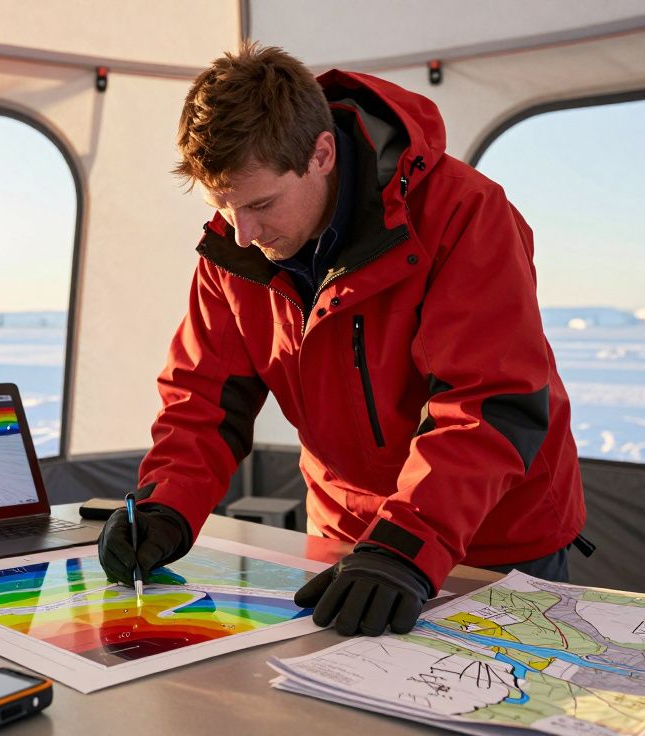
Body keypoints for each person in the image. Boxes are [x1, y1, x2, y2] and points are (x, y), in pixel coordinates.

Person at [98, 43, 589, 637]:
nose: (243, 233)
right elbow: (203, 400)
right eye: (223, 206)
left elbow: (486, 404)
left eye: (260, 204)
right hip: (346, 537)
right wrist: (165, 505)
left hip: (492, 539)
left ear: (322, 154)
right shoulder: (233, 250)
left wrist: (405, 546)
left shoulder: (463, 213)